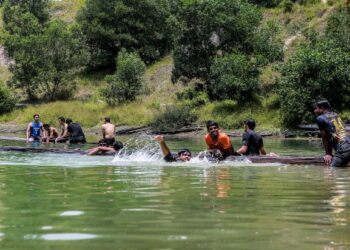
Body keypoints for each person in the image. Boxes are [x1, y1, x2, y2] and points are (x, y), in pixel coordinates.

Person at [314, 98, 350, 167]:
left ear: (322, 108)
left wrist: (328, 154)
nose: (314, 111)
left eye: (316, 108)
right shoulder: (335, 115)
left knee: (331, 171)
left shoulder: (320, 118)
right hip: (347, 143)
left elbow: (325, 138)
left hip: (344, 148)